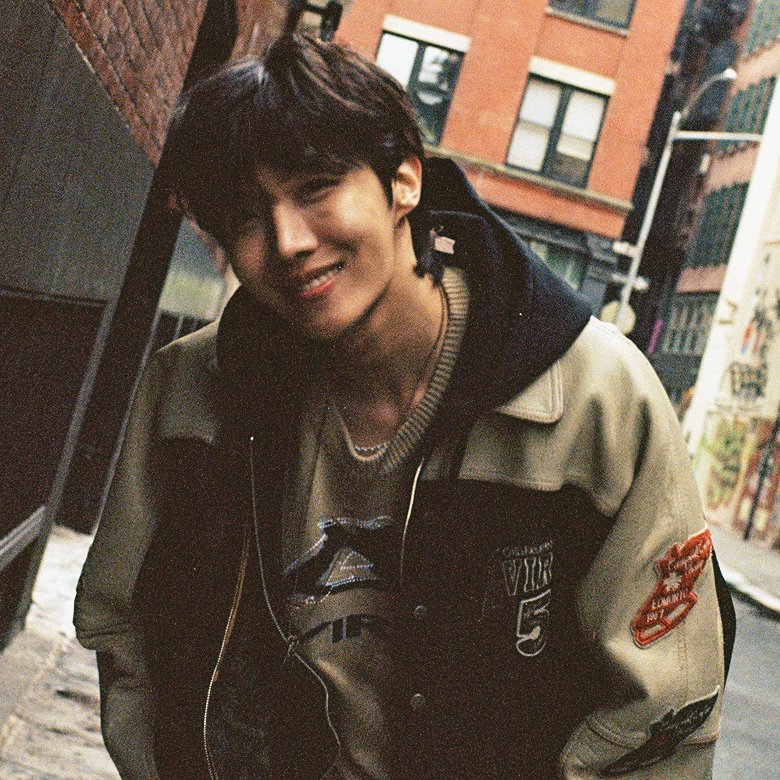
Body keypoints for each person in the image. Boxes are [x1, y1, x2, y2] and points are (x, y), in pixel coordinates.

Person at [74, 33, 735, 780]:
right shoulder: (190, 391)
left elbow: (664, 709)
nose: (289, 242)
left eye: (316, 188)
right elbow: (118, 622)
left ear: (405, 180)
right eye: (248, 217)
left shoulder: (596, 402)